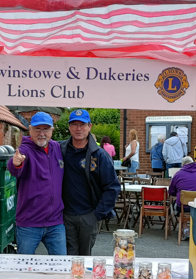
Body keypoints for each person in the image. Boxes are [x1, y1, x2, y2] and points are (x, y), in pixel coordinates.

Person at [59, 109, 121, 255]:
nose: (78, 128)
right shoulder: (60, 150)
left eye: (82, 124)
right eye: (74, 124)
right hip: (65, 215)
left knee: (85, 257)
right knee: (68, 257)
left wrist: (97, 215)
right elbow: (39, 143)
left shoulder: (100, 155)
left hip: (89, 215)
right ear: (69, 127)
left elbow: (112, 187)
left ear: (89, 126)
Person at [7, 111, 66, 255]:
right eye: (37, 129)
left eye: (46, 129)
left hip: (55, 223)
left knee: (62, 264)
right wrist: (16, 163)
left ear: (52, 130)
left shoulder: (57, 148)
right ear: (30, 129)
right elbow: (15, 167)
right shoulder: (25, 150)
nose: (42, 133)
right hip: (29, 223)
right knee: (25, 265)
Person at [168, 156, 196, 241]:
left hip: (184, 207)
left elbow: (171, 192)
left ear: (183, 165)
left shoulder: (178, 174)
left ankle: (186, 230)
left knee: (176, 206)